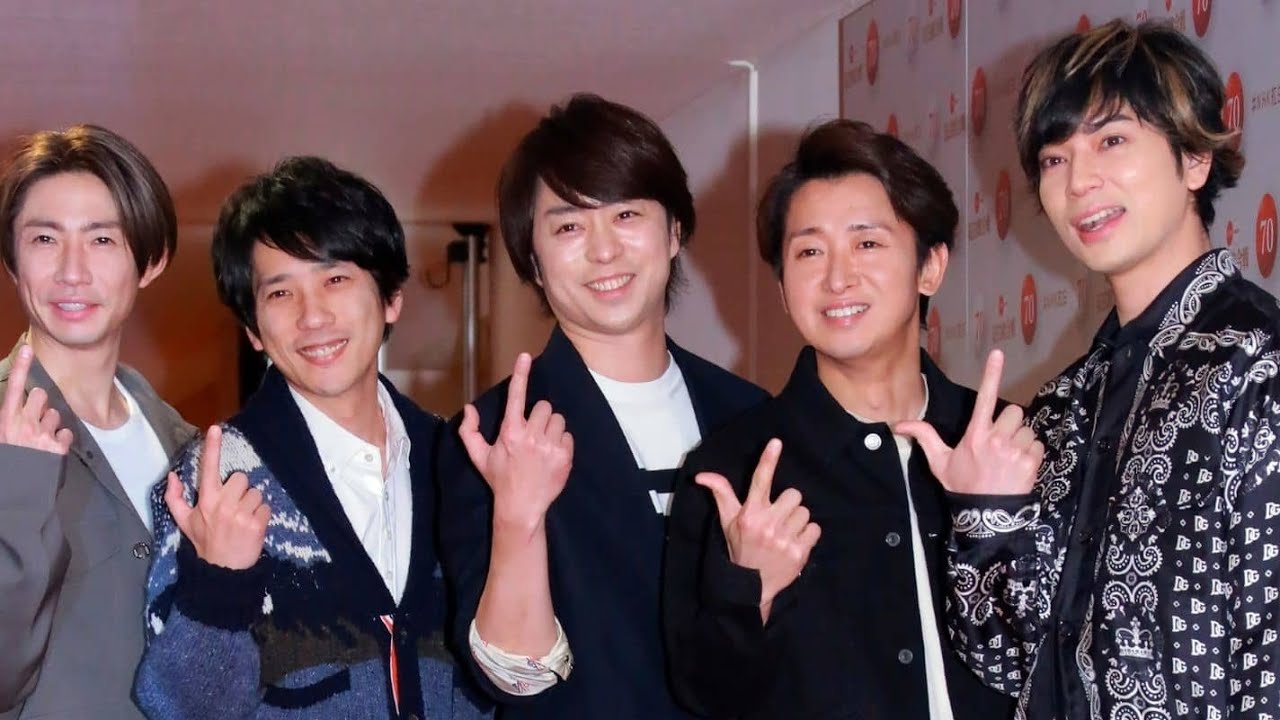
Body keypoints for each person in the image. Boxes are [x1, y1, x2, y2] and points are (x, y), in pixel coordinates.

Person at [895, 19, 1273, 719]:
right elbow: (1003, 663)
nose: (1079, 180)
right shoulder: (1066, 402)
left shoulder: (1258, 364)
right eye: (1054, 159)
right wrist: (986, 516)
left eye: (1112, 141)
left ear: (1195, 159)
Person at [662, 119, 1014, 719]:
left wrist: (1000, 518)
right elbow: (703, 696)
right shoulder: (734, 473)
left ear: (930, 266)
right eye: (809, 251)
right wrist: (749, 590)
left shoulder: (1006, 443)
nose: (837, 277)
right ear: (783, 289)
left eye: (867, 243)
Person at [436, 93, 767, 719]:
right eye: (568, 227)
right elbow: (511, 679)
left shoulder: (751, 418)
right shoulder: (493, 434)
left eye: (626, 215)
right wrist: (519, 517)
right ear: (534, 263)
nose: (604, 249)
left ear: (674, 231)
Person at [134, 156, 488, 720]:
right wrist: (220, 587)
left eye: (335, 279)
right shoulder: (214, 480)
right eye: (280, 294)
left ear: (391, 297)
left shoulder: (460, 464)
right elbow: (183, 709)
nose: (312, 316)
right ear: (252, 329)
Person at [0, 124, 194, 720]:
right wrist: (19, 487)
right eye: (44, 239)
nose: (72, 272)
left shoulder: (187, 445)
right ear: (12, 263)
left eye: (103, 239)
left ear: (151, 261)